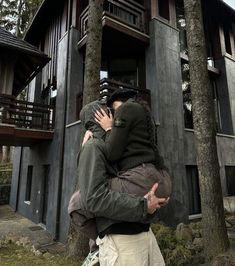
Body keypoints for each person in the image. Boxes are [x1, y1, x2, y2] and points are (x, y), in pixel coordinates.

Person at [68, 93, 171, 265]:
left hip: (142, 234)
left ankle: (98, 245)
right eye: (111, 113)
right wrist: (143, 205)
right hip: (122, 242)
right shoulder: (93, 147)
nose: (116, 120)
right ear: (100, 118)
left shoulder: (118, 147)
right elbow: (94, 199)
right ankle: (98, 246)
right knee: (76, 203)